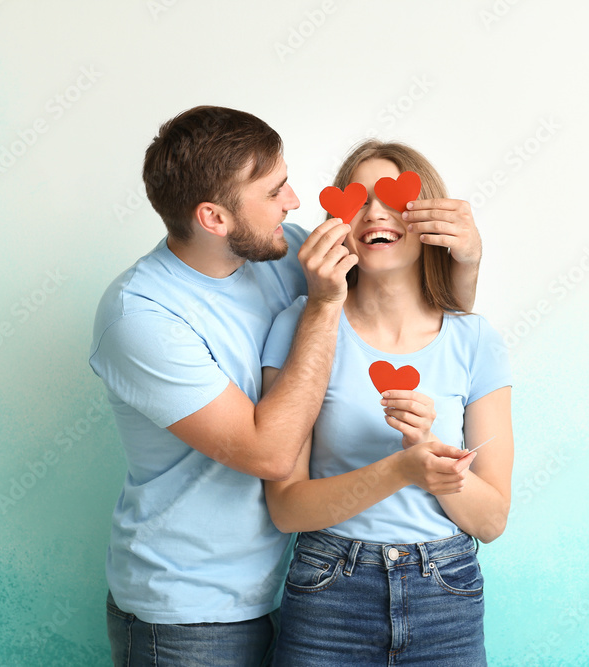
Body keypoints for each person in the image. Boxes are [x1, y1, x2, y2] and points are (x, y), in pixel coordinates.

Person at [88, 107, 482, 666]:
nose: (295, 202)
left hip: (298, 591)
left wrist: (467, 260)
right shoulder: (141, 317)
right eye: (274, 192)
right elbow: (271, 453)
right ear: (214, 218)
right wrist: (323, 304)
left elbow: (421, 313)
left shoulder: (278, 253)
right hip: (189, 613)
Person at [262, 141, 514, 666]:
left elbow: (490, 522)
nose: (376, 211)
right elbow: (287, 509)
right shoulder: (299, 326)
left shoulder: (475, 340)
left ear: (430, 220)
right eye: (358, 200)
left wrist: (427, 448)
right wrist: (402, 467)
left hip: (446, 593)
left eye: (394, 197)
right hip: (328, 589)